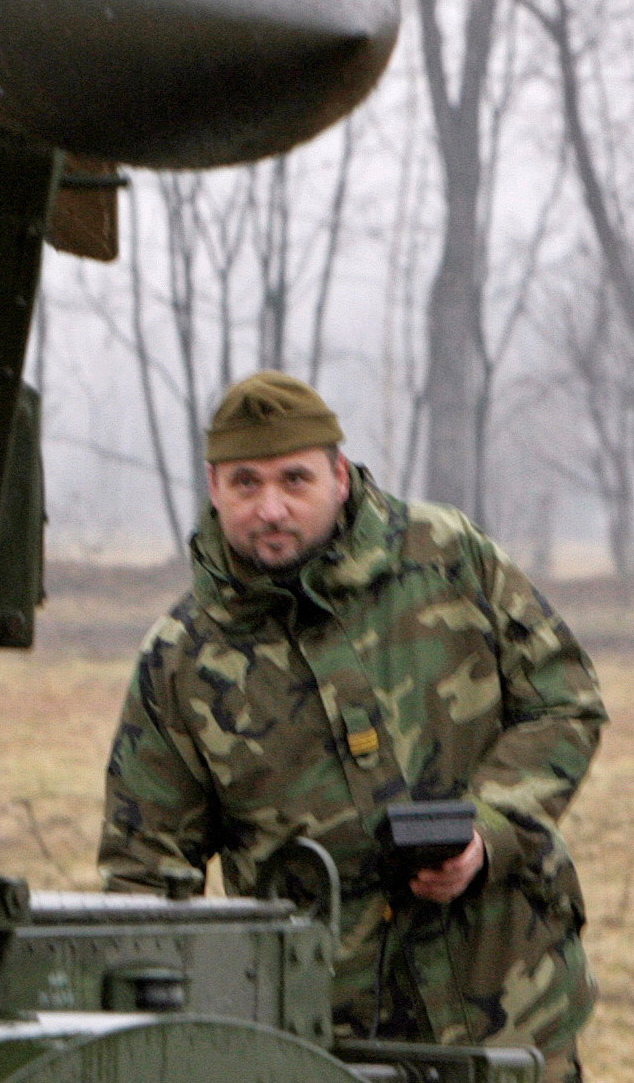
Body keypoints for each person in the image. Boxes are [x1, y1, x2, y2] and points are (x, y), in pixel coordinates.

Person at [100, 371, 604, 1075]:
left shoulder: (446, 555)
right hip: (329, 1040)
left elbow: (564, 699)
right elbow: (146, 877)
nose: (270, 507)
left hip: (512, 1006)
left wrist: (487, 828)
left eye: (294, 479)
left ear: (339, 476)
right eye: (245, 483)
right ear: (213, 487)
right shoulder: (181, 658)